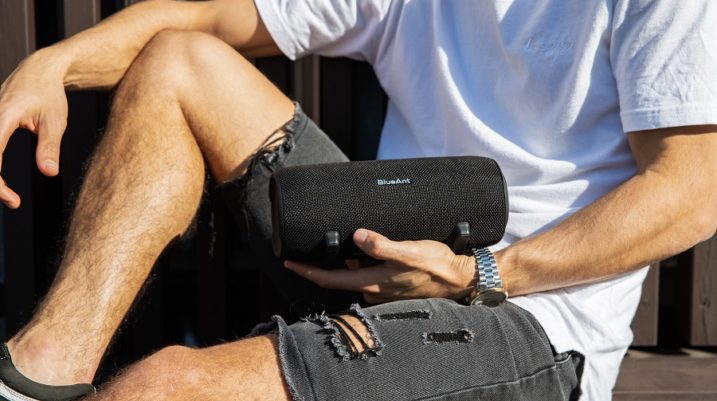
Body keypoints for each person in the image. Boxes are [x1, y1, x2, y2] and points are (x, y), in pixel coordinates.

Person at [0, 0, 716, 400]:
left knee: (162, 388)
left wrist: (477, 274)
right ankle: (42, 377)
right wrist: (52, 64)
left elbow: (691, 190)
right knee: (177, 58)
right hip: (375, 260)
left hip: (530, 323)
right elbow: (212, 15)